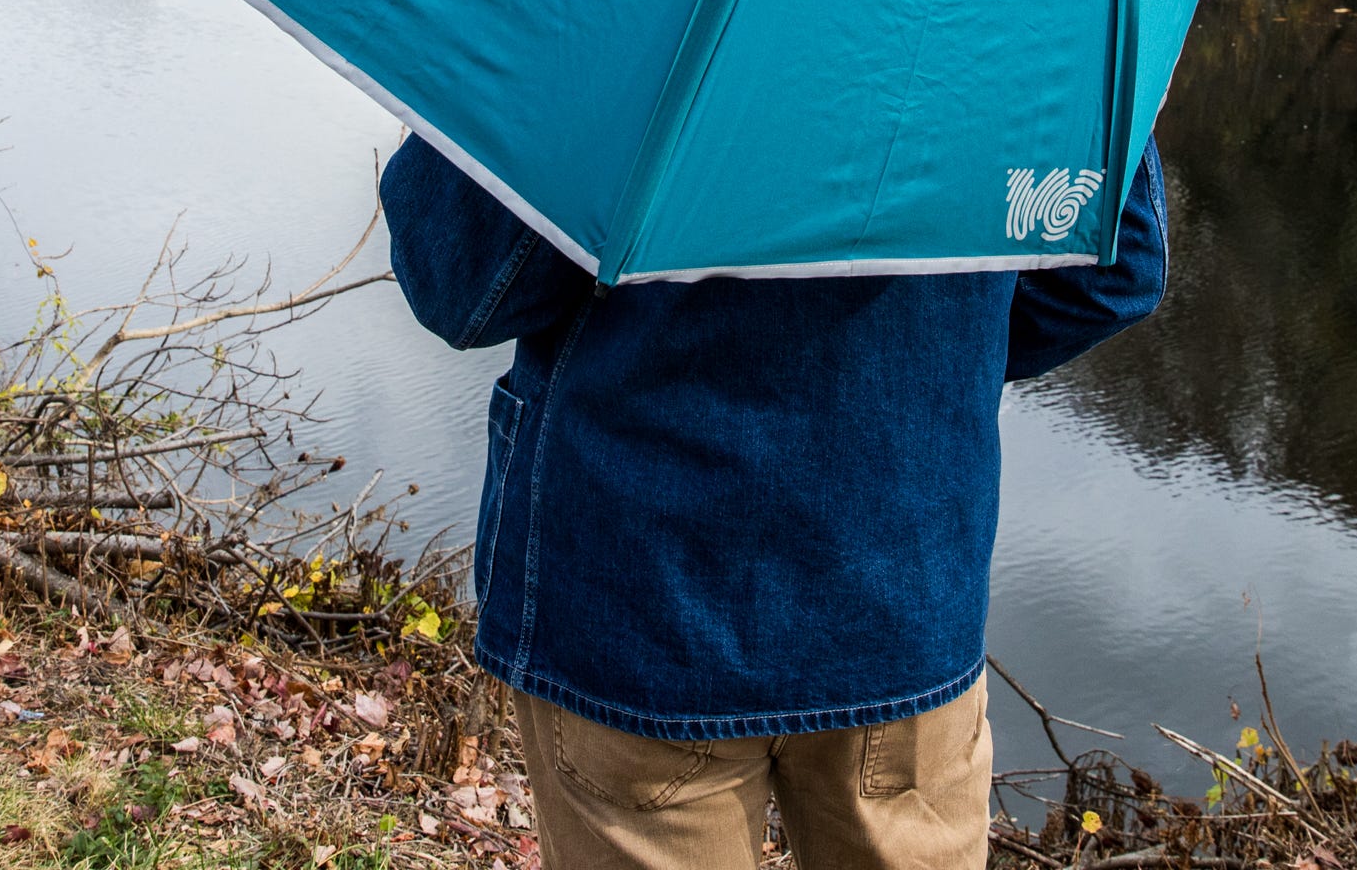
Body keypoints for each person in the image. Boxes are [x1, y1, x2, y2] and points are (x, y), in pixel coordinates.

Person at [378, 133, 1174, 870]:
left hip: (640, 594)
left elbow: (461, 277)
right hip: (901, 587)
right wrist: (917, 377)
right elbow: (1111, 270)